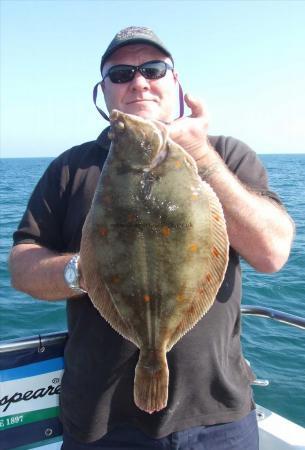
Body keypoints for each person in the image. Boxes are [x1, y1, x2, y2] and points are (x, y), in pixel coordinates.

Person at [9, 26, 294, 450]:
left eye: (153, 69)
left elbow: (272, 253)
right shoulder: (70, 169)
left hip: (218, 415)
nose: (138, 81)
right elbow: (21, 264)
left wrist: (201, 157)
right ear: (103, 91)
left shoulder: (227, 155)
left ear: (175, 83)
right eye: (121, 74)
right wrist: (85, 272)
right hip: (100, 421)